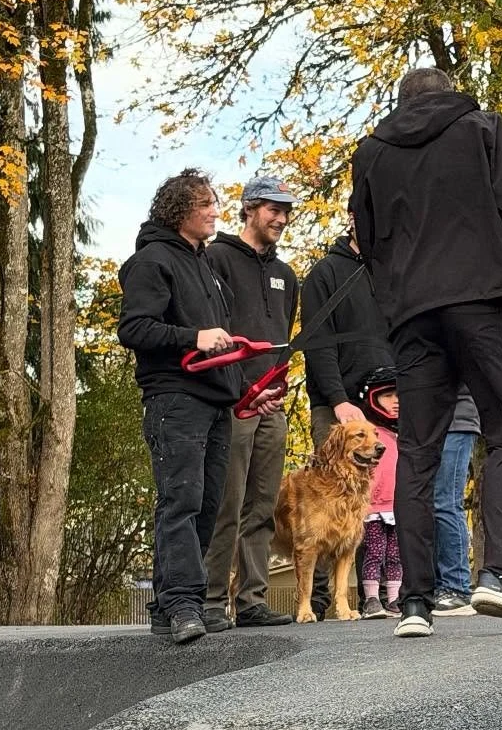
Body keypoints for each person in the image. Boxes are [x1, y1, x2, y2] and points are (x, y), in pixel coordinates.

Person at [348, 65, 502, 638]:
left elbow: (366, 237)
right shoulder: (483, 128)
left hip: (414, 314)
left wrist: (395, 294)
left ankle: (414, 604)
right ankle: (499, 575)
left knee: (418, 450)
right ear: (449, 94)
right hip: (481, 297)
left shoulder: (372, 151)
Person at [118, 169, 283, 645]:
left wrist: (248, 395)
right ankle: (183, 605)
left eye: (215, 202)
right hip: (174, 398)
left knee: (210, 504)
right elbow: (135, 329)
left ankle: (171, 604)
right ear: (180, 211)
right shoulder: (152, 261)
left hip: (216, 400)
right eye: (207, 203)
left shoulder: (205, 264)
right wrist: (193, 337)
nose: (216, 210)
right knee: (182, 500)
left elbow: (224, 346)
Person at [200, 175, 299, 629]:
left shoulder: (286, 275)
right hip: (232, 404)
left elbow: (280, 340)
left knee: (262, 507)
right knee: (226, 501)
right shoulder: (215, 258)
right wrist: (242, 391)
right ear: (249, 209)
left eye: (285, 211)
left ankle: (253, 600)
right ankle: (210, 599)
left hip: (273, 406)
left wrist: (272, 392)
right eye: (272, 209)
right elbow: (214, 334)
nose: (280, 218)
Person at [299, 215, 394, 620]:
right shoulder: (325, 273)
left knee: (369, 509)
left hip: (388, 407)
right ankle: (314, 602)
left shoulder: (392, 271)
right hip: (339, 409)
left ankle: (366, 598)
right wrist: (337, 399)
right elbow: (316, 343)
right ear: (354, 219)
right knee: (322, 507)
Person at [356, 368, 403, 618]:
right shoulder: (369, 435)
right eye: (387, 396)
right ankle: (372, 599)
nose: (395, 402)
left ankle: (395, 599)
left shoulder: (401, 435)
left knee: (396, 555)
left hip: (396, 508)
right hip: (373, 509)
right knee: (373, 553)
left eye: (399, 396)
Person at [432, 391, 482, 616]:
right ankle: (441, 585)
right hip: (431, 422)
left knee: (447, 502)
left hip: (456, 420)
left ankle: (457, 587)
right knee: (434, 505)